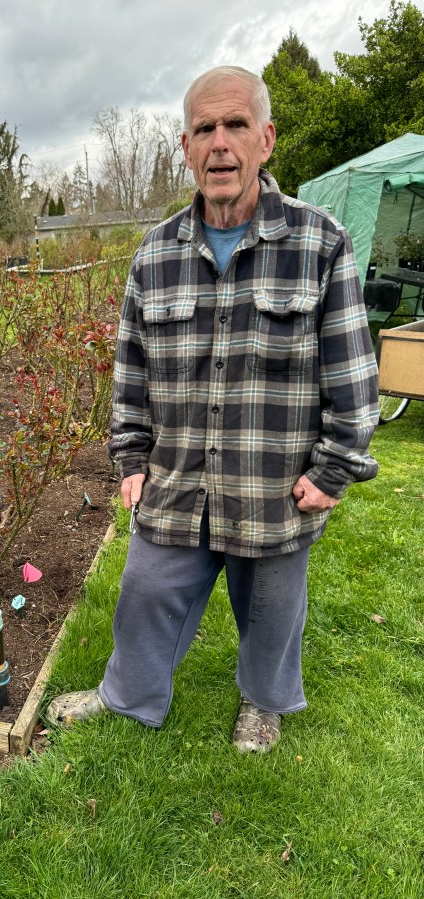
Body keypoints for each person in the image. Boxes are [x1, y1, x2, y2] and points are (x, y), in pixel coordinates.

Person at [47, 66, 379, 751]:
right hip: (179, 479)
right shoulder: (155, 254)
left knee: (272, 608)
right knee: (144, 592)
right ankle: (128, 695)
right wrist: (130, 457)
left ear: (266, 139)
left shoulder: (319, 243)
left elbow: (351, 371)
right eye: (204, 129)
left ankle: (263, 702)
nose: (219, 143)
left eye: (235, 125)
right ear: (186, 147)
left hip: (273, 484)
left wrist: (333, 470)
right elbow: (131, 370)